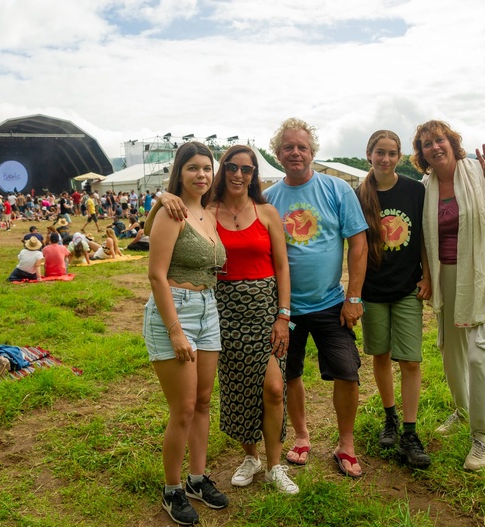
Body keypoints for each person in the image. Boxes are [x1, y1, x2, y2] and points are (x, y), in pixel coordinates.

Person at [147, 144, 298, 493]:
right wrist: (160, 197)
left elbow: (282, 266)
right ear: (223, 170)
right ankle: (250, 456)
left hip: (261, 308)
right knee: (235, 388)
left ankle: (275, 465)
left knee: (273, 388)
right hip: (220, 307)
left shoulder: (264, 212)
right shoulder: (206, 210)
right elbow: (154, 233)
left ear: (254, 175)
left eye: (247, 169)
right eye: (231, 166)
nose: (238, 174)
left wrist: (283, 313)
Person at [412, 120, 485, 471]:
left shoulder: (482, 172)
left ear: (452, 142)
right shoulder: (425, 187)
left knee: (479, 358)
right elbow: (423, 243)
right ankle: (462, 410)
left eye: (439, 139)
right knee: (451, 354)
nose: (434, 146)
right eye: (426, 143)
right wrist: (428, 278)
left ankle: (481, 438)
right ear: (421, 153)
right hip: (448, 278)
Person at [264, 118, 368, 477]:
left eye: (302, 147)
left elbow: (358, 243)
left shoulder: (337, 190)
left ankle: (346, 444)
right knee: (290, 373)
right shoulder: (268, 199)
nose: (296, 152)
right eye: (288, 147)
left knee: (347, 370)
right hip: (285, 309)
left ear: (312, 152)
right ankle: (302, 436)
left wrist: (353, 297)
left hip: (330, 303)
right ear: (278, 155)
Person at [142, 142, 227, 525]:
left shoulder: (207, 213)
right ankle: (172, 489)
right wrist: (175, 330)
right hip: (174, 311)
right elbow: (156, 275)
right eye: (193, 168)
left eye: (207, 169)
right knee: (184, 408)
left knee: (205, 401)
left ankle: (196, 478)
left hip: (209, 310)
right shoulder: (171, 210)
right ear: (179, 171)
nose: (201, 175)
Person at [356, 130, 432, 469]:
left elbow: (426, 237)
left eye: (392, 153)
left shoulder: (415, 190)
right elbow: (354, 246)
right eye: (379, 153)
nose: (385, 159)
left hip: (406, 289)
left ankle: (410, 431)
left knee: (411, 360)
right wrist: (353, 293)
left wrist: (428, 275)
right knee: (381, 354)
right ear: (369, 154)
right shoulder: (359, 194)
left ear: (399, 156)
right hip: (372, 290)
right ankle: (390, 417)